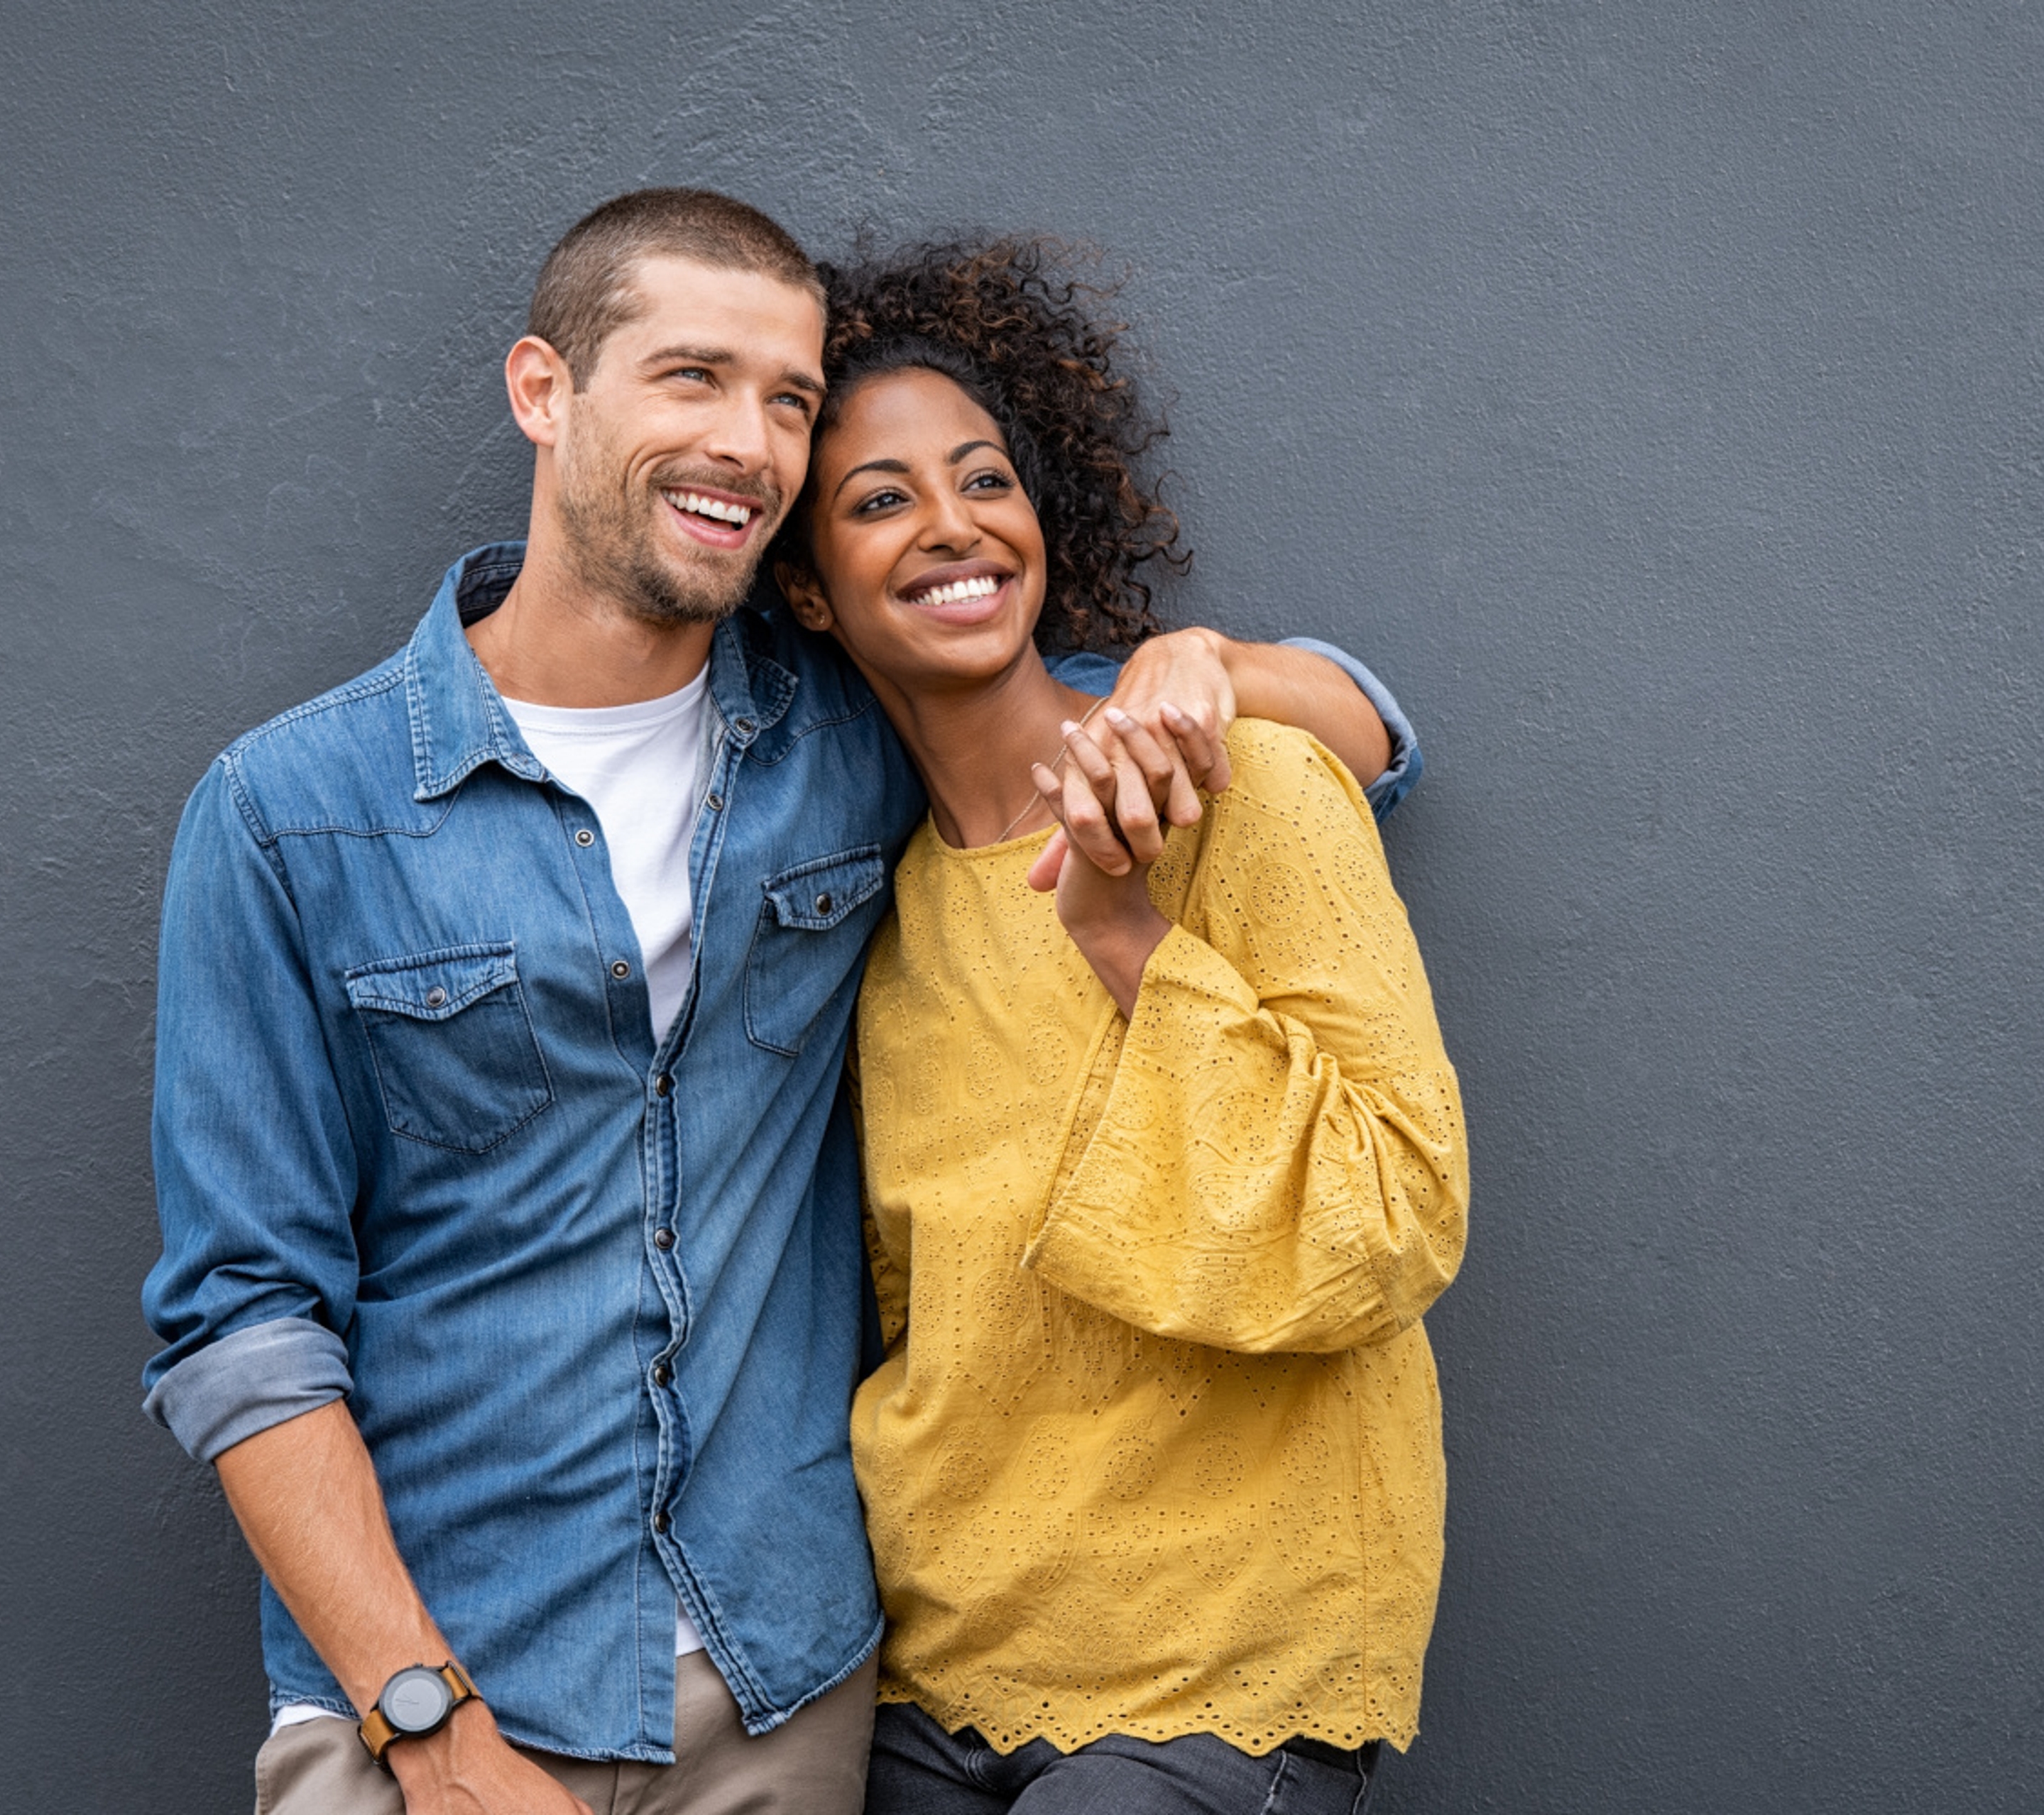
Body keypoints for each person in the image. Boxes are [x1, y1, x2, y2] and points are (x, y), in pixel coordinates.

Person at [138, 188, 1423, 1815]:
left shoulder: (852, 737)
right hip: (437, 1696)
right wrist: (429, 1727)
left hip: (780, 1689)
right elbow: (243, 1327)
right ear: (545, 391)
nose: (748, 442)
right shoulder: (289, 813)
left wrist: (1213, 662)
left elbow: (1348, 732)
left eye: (789, 400)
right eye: (691, 378)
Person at [770, 242, 1466, 1814]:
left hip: (1216, 1661)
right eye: (879, 500)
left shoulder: (1252, 785)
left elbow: (1398, 1210)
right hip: (941, 1658)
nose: (953, 525)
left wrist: (1119, 931)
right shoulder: (870, 918)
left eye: (983, 480)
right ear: (807, 585)